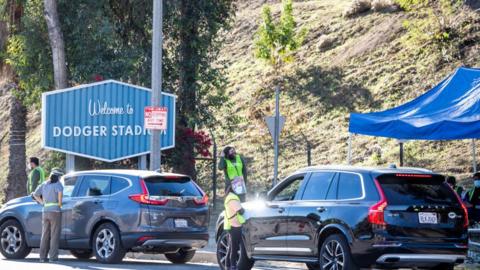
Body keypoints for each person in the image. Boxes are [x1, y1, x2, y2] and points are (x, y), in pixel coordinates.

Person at [33, 171, 64, 263]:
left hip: (45, 211)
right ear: (58, 177)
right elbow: (60, 197)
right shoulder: (58, 184)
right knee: (54, 234)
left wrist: (42, 202)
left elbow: (35, 194)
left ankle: (42, 257)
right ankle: (53, 257)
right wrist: (60, 204)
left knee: (45, 234)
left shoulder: (44, 184)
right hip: (55, 212)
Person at [223, 184, 246, 270]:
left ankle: (227, 266)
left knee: (231, 247)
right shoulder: (233, 198)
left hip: (231, 225)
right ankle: (233, 266)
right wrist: (243, 209)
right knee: (234, 248)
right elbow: (240, 211)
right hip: (236, 225)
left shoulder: (229, 196)